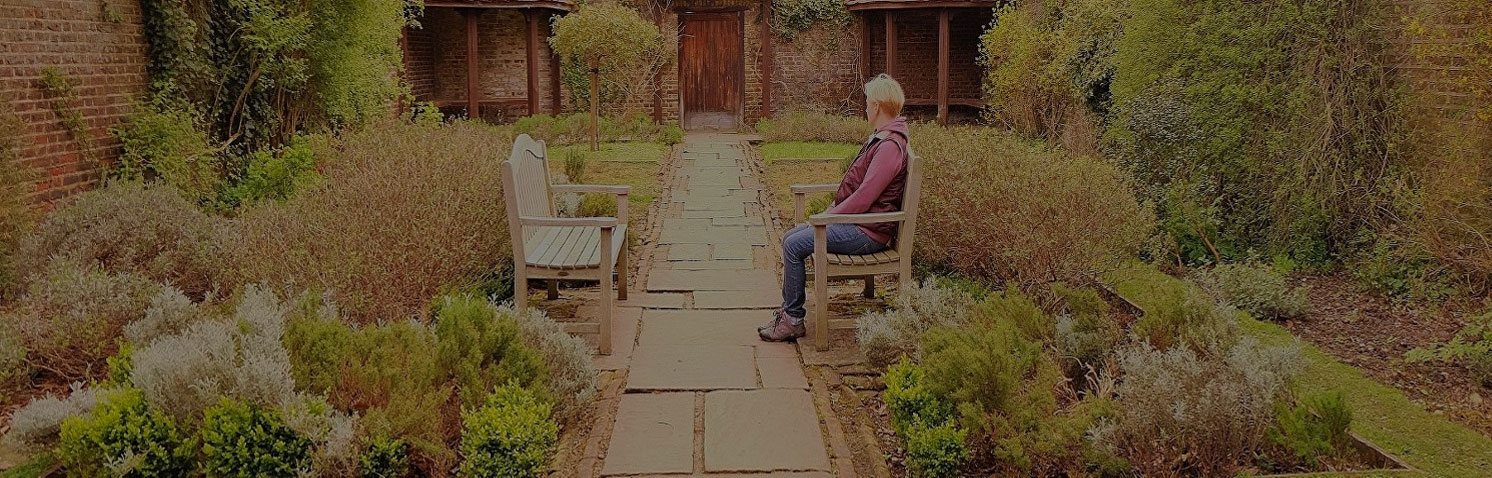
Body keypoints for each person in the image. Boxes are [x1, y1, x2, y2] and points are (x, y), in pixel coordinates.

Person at [761, 74, 910, 342]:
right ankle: (789, 314)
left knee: (794, 245)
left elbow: (865, 196)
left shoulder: (889, 146)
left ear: (877, 106)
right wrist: (832, 211)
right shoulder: (882, 138)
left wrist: (828, 216)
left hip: (868, 234)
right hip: (861, 224)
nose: (865, 107)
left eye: (867, 102)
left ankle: (793, 320)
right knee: (790, 238)